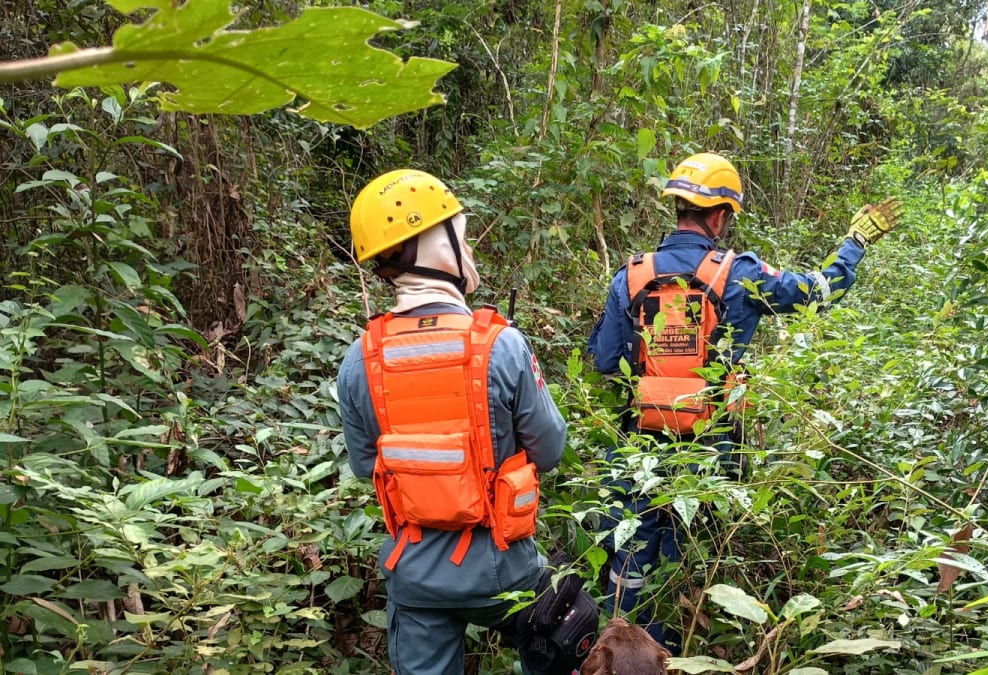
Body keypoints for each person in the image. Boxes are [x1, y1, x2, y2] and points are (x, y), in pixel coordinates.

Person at [586, 152, 902, 650]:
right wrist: (854, 245)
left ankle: (622, 653)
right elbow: (819, 291)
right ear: (718, 216)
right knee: (691, 561)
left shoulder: (630, 275)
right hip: (711, 451)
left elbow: (605, 361)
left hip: (636, 449)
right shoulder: (739, 274)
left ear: (678, 209)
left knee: (629, 561)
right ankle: (683, 652)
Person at [337, 169, 587, 675]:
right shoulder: (500, 344)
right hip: (504, 566)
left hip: (416, 571)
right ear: (439, 246)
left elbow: (368, 467)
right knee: (566, 629)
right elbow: (551, 449)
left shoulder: (359, 359)